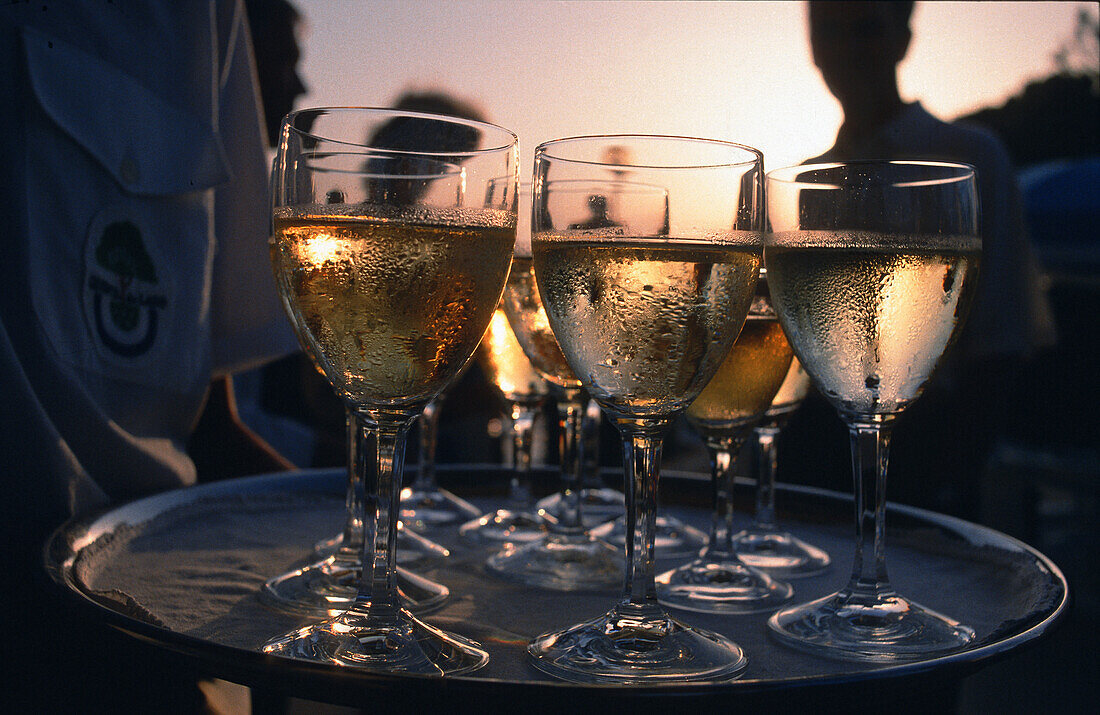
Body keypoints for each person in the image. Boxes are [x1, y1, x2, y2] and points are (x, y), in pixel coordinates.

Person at [1, 1, 296, 710]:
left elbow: (208, 425)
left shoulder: (200, 18)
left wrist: (368, 539)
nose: (302, 84)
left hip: (143, 637)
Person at [778, 1, 1058, 516]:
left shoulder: (972, 156)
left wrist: (956, 471)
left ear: (904, 37)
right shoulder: (811, 181)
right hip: (818, 445)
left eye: (865, 28)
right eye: (830, 32)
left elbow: (1003, 333)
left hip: (932, 448)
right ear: (812, 47)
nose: (846, 48)